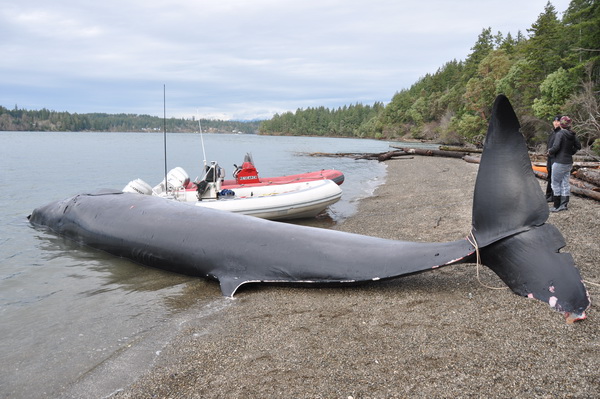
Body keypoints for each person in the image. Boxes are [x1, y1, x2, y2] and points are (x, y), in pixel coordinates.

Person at [547, 116, 581, 212]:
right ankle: (564, 205)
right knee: (565, 183)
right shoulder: (572, 134)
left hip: (559, 162)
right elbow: (578, 146)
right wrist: (570, 152)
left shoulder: (560, 133)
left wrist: (550, 152)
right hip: (568, 162)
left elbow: (556, 146)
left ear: (561, 124)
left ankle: (556, 206)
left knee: (555, 183)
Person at [545, 115, 562, 201]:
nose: (556, 123)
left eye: (558, 121)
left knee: (554, 178)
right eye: (555, 121)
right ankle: (548, 194)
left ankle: (553, 195)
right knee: (549, 176)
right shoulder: (552, 133)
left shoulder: (560, 133)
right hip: (550, 158)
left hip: (556, 159)